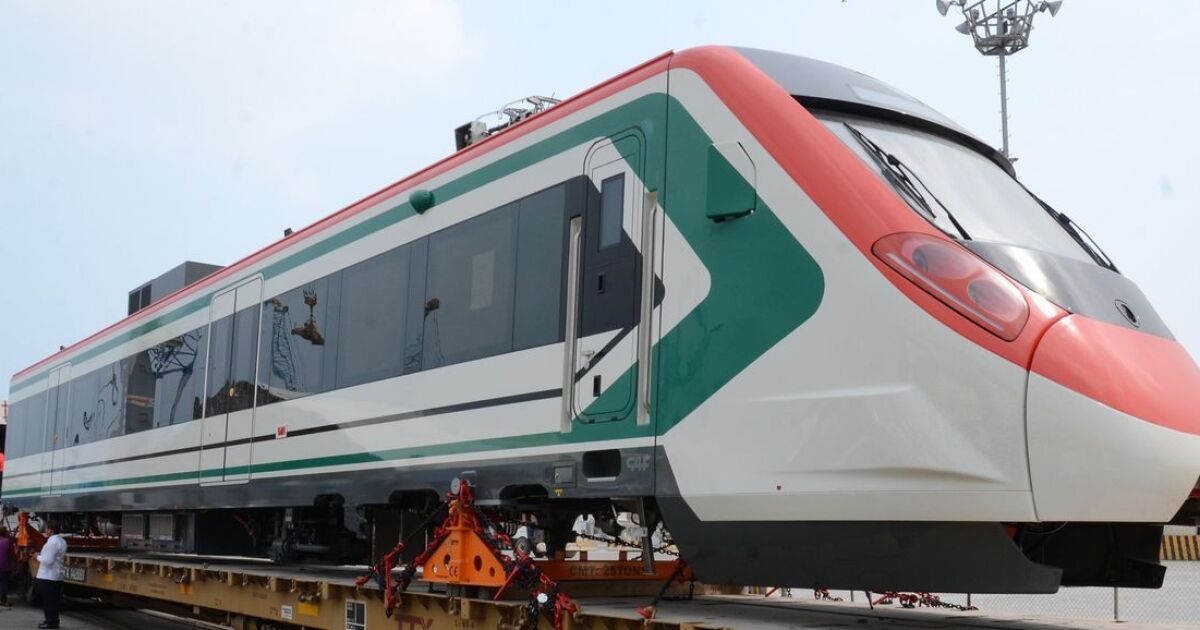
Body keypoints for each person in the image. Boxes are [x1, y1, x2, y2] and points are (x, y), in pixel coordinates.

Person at [36, 521, 67, 629]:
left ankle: (51, 622)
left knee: (48, 601)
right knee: (53, 601)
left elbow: (48, 561)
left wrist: (37, 556)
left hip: (48, 576)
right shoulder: (62, 541)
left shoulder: (52, 543)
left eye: (46, 528)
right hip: (56, 576)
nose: (45, 530)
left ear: (51, 530)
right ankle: (52, 620)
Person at [0, 526, 15, 606]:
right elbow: (12, 553)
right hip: (4, 565)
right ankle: (2, 600)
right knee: (4, 583)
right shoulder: (8, 541)